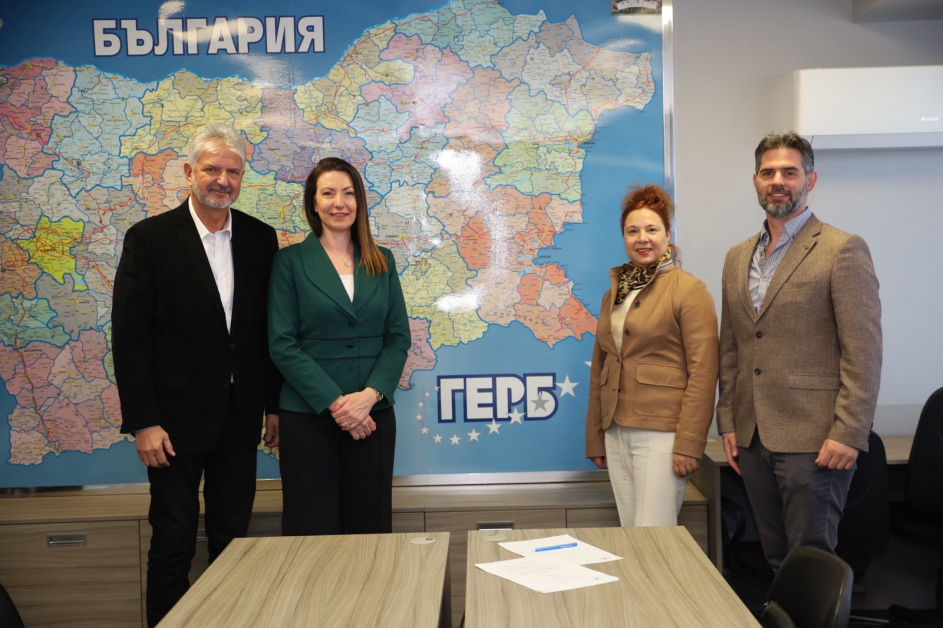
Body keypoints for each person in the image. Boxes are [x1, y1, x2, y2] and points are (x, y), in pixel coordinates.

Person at [112, 124, 281, 627]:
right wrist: (144, 422)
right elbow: (130, 337)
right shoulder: (149, 240)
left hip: (239, 420)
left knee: (233, 543)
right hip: (171, 426)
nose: (222, 180)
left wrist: (273, 406)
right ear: (189, 172)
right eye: (212, 169)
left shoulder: (260, 238)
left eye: (233, 171)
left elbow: (265, 332)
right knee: (173, 543)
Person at [716, 131, 882, 571]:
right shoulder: (736, 257)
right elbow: (731, 347)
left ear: (810, 180)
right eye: (768, 172)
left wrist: (849, 432)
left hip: (815, 438)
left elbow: (864, 351)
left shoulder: (841, 248)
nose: (778, 181)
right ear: (755, 180)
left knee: (811, 565)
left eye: (789, 172)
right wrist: (728, 421)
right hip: (751, 437)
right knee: (776, 560)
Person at [268, 157, 410, 536]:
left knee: (370, 528)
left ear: (359, 201)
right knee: (311, 531)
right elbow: (282, 344)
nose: (339, 203)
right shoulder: (289, 262)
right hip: (308, 420)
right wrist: (338, 405)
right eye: (328, 193)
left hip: (372, 418)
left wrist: (368, 398)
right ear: (313, 204)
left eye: (348, 193)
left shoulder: (382, 261)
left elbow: (398, 337)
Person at [585, 184, 719, 526]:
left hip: (662, 435)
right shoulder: (614, 294)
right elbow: (601, 367)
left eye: (651, 229)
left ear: (668, 234)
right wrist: (596, 437)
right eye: (633, 231)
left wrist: (689, 443)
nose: (642, 238)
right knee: (632, 535)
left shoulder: (689, 290)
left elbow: (704, 373)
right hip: (615, 431)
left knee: (654, 536)